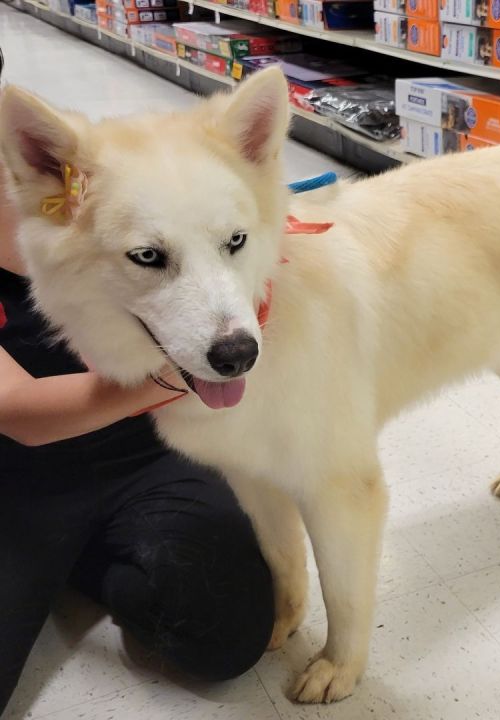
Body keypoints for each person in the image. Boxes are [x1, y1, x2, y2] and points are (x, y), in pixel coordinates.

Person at [0, 47, 274, 716]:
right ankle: (51, 558)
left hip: (143, 449)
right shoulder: (54, 178)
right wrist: (182, 378)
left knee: (225, 634)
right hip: (15, 473)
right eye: (150, 257)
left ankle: (82, 562)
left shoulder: (94, 169)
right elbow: (16, 410)